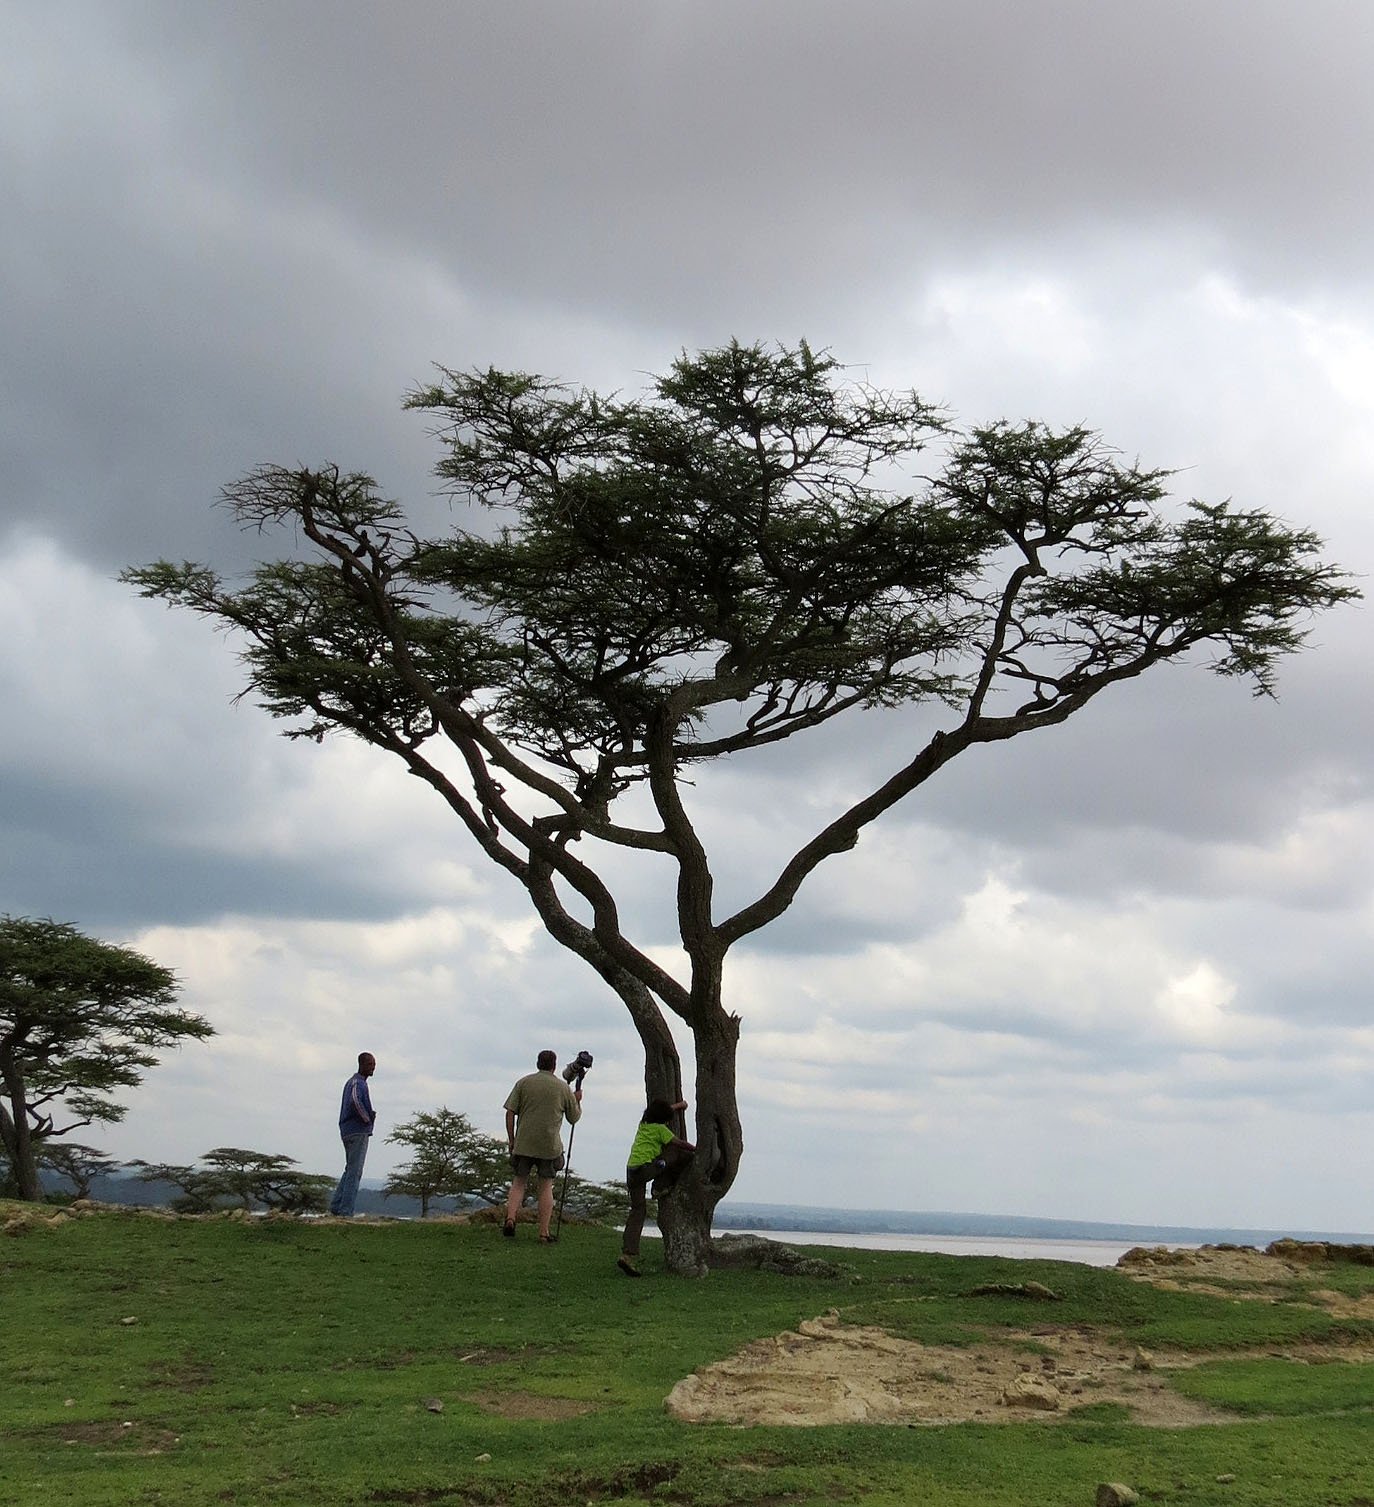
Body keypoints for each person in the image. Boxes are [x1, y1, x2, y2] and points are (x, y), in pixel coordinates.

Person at [502, 1049, 582, 1242]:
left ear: (538, 1063)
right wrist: (577, 1100)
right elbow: (574, 1118)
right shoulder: (562, 1088)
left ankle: (511, 1218)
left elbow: (510, 1112)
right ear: (554, 1066)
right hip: (549, 1146)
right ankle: (543, 1232)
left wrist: (512, 1139)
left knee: (519, 1182)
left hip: (524, 1143)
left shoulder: (524, 1083)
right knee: (546, 1186)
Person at [617, 1097, 694, 1277]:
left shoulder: (643, 1124)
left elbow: (663, 1110)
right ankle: (660, 1185)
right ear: (663, 1119)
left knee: (637, 1211)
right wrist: (696, 1149)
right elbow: (680, 1143)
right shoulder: (661, 1130)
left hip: (631, 1170)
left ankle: (627, 1255)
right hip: (646, 1169)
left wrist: (679, 1105)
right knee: (676, 1153)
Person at [328, 1051, 376, 1217]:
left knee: (350, 1169)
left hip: (349, 1130)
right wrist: (367, 1119)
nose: (373, 1068)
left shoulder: (354, 1082)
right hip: (356, 1131)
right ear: (361, 1064)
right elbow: (355, 1101)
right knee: (355, 1172)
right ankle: (345, 1211)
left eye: (374, 1064)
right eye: (370, 1064)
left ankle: (336, 1206)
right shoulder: (358, 1083)